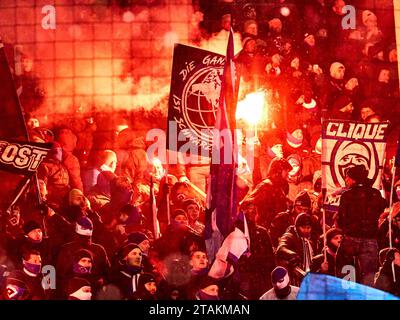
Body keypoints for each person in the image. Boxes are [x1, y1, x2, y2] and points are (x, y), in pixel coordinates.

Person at [336, 165, 387, 286]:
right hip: (370, 240)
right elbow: (382, 208)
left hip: (350, 239)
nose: (346, 181)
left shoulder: (346, 195)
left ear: (353, 179)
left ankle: (347, 294)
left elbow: (341, 218)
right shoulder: (375, 193)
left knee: (345, 268)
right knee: (369, 275)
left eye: (347, 178)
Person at [241, 157, 292, 229]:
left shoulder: (280, 187)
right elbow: (247, 203)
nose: (287, 173)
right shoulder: (266, 186)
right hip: (266, 229)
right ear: (278, 170)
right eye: (286, 170)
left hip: (277, 229)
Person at [275, 213, 318, 286]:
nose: (306, 230)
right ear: (297, 227)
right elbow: (281, 248)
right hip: (294, 279)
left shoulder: (310, 242)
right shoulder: (289, 236)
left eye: (308, 228)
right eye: (303, 227)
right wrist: (292, 255)